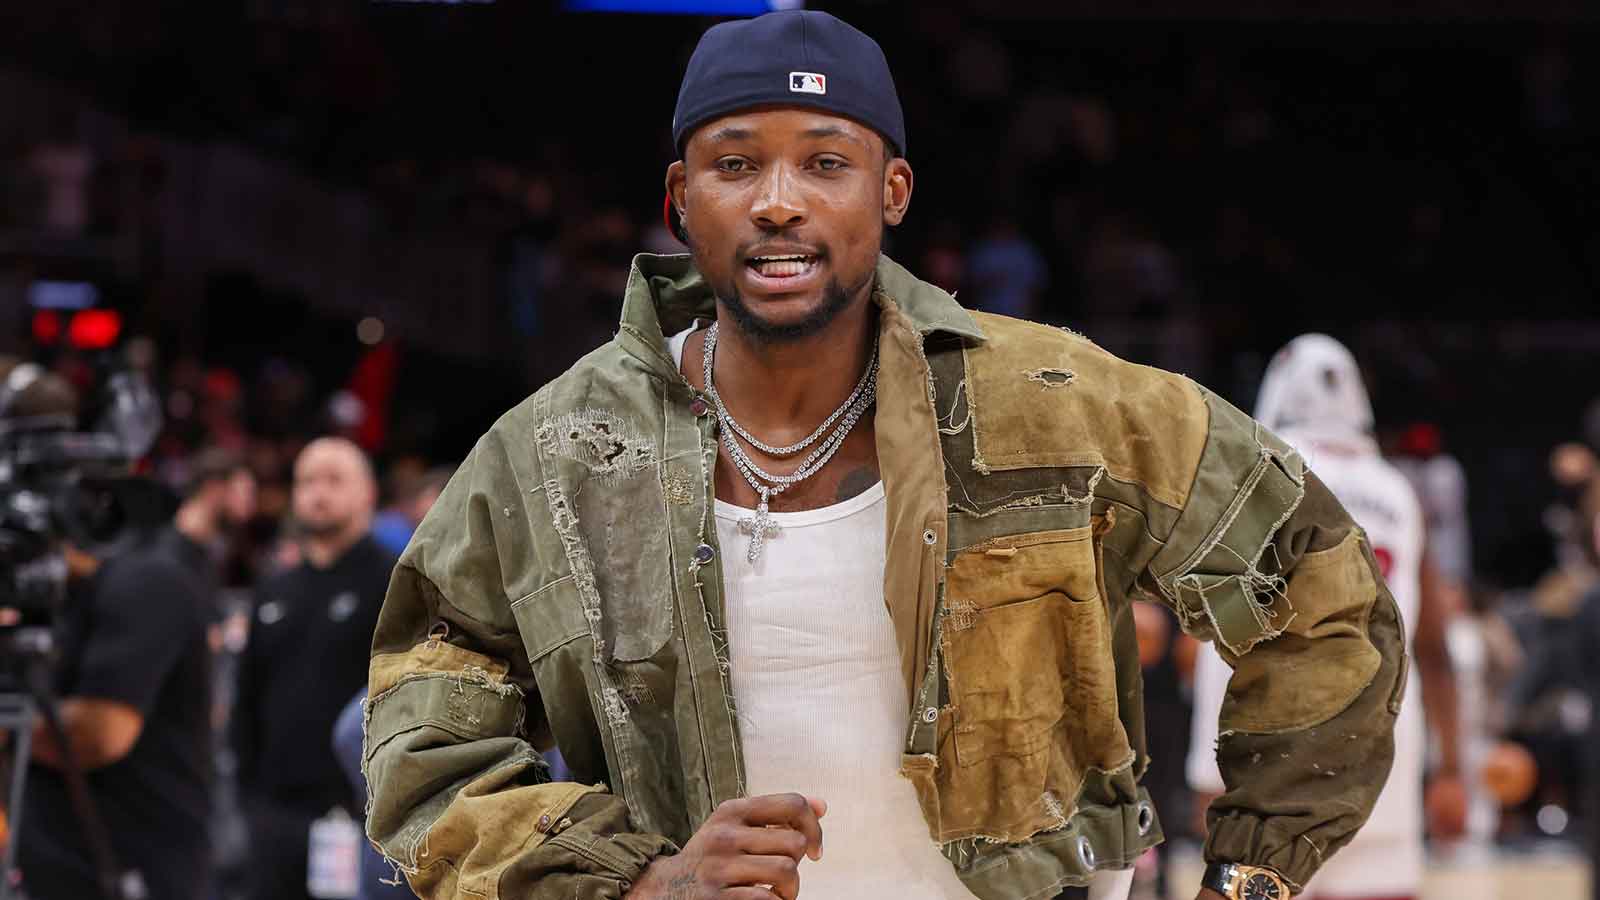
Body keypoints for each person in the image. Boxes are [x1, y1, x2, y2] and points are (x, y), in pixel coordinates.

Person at [363, 11, 1404, 900]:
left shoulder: (1063, 405)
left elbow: (1325, 598)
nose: (778, 199)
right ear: (680, 197)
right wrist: (637, 877)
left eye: (825, 162)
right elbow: (421, 747)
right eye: (735, 164)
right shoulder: (555, 454)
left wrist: (1249, 876)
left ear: (890, 191)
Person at [1188, 334, 1466, 900]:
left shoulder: (1260, 478)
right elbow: (1434, 646)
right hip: (1383, 756)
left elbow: (1228, 635)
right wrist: (1453, 769)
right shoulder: (1400, 491)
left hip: (1277, 757)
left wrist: (1205, 773)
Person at [18, 447, 257, 900]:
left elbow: (100, 733)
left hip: (135, 858)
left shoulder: (150, 576)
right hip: (67, 853)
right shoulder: (83, 588)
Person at [233, 437, 395, 900]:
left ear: (367, 493)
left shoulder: (393, 582)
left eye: (334, 480)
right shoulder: (274, 588)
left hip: (358, 813)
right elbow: (247, 694)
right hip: (273, 813)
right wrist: (249, 797)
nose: (318, 492)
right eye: (307, 481)